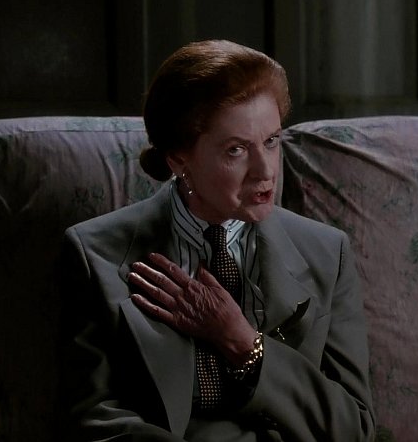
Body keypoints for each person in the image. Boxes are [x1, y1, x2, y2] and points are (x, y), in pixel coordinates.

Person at [57, 39, 375, 441]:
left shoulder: (328, 253)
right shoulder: (95, 253)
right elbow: (93, 421)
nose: (265, 171)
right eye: (236, 150)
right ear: (179, 159)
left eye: (272, 141)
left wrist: (244, 343)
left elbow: (355, 428)